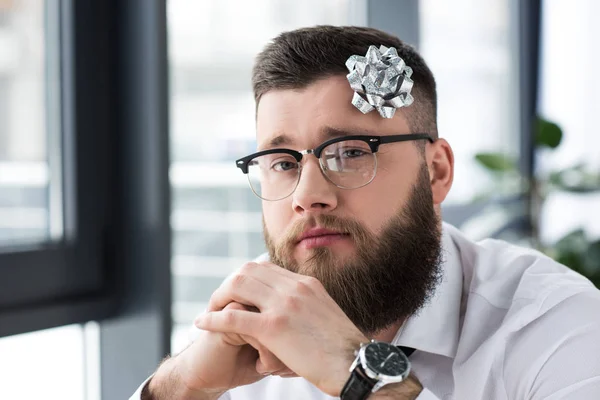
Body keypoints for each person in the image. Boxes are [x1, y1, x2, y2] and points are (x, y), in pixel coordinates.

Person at [131, 26, 600, 400]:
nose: (307, 195)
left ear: (435, 171)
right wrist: (184, 387)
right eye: (282, 163)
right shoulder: (253, 328)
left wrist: (358, 375)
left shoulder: (558, 327)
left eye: (350, 153)